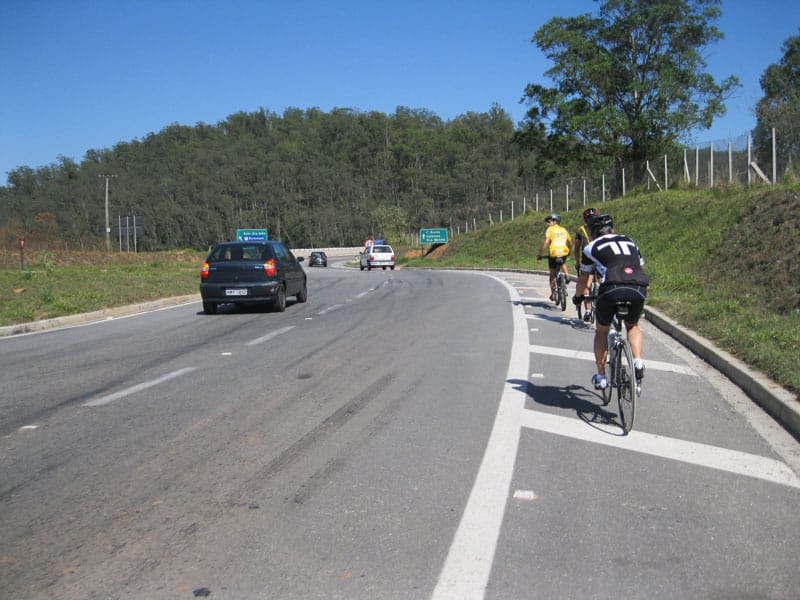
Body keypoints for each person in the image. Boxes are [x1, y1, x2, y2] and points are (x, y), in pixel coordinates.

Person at [577, 213, 648, 391]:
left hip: (611, 288)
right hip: (638, 286)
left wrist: (578, 297)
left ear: (592, 233)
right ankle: (638, 361)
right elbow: (639, 264)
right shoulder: (630, 241)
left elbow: (584, 277)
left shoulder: (591, 247)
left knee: (602, 331)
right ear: (613, 229)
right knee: (632, 325)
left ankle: (601, 376)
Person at [536, 214, 572, 302]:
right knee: (563, 262)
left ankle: (553, 294)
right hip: (564, 251)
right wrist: (569, 251)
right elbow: (570, 242)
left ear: (555, 222)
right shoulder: (564, 230)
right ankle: (567, 275)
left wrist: (539, 254)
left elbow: (546, 242)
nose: (548, 224)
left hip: (553, 253)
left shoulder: (550, 230)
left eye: (549, 222)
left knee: (552, 273)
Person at [573, 207, 598, 321]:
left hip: (587, 258)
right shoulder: (601, 227)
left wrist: (577, 262)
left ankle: (587, 310)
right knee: (601, 280)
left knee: (584, 282)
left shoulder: (581, 229)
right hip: (601, 257)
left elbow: (577, 249)